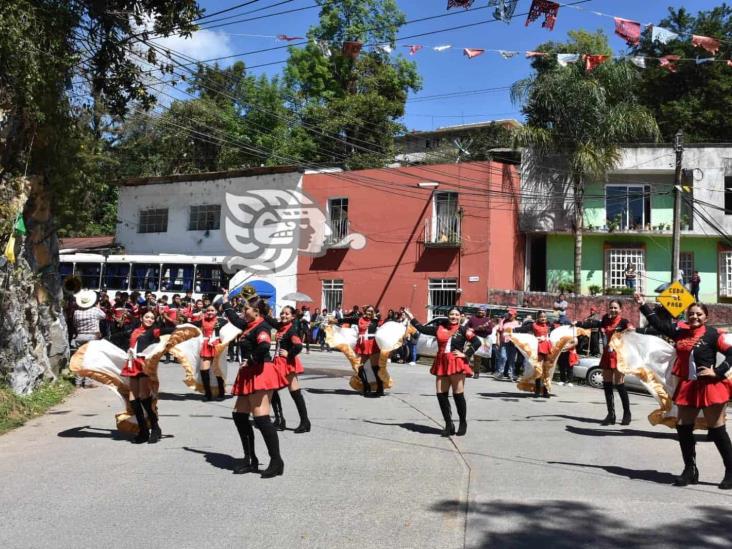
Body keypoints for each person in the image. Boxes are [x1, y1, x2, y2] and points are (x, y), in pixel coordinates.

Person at [635, 294, 732, 489]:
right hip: (688, 386)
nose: (694, 317)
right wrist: (643, 305)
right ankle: (690, 470)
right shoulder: (680, 332)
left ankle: (730, 470)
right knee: (683, 427)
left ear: (706, 317)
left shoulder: (713, 334)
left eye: (699, 314)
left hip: (710, 387)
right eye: (691, 314)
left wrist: (718, 371)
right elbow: (659, 325)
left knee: (717, 429)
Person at [222, 294, 288, 478]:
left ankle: (276, 461)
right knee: (239, 416)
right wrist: (225, 301)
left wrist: (250, 360)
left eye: (246, 310)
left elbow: (264, 346)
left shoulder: (262, 327)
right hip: (249, 372)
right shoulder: (248, 325)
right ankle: (250, 459)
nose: (243, 312)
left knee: (261, 418)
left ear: (256, 312)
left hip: (260, 371)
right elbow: (233, 318)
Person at [404, 307, 481, 436]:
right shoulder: (439, 328)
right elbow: (422, 329)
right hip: (441, 363)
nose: (454, 317)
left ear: (460, 316)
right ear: (448, 315)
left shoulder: (463, 330)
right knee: (441, 394)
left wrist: (466, 354)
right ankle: (448, 424)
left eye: (456, 315)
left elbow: (476, 341)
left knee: (458, 394)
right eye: (452, 314)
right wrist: (410, 316)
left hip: (455, 362)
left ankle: (462, 422)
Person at [120, 310, 177, 443]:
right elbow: (121, 337)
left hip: (145, 365)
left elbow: (171, 329)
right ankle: (143, 430)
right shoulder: (133, 330)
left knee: (144, 398)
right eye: (147, 317)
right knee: (133, 400)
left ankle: (155, 428)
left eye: (152, 318)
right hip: (132, 364)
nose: (150, 320)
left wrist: (175, 322)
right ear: (141, 317)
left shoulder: (154, 331)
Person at [574, 300, 634, 425]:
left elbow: (632, 332)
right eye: (611, 307)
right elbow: (593, 324)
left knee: (619, 384)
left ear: (620, 310)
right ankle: (611, 415)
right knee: (607, 385)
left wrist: (630, 330)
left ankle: (627, 413)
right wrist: (578, 323)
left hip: (619, 356)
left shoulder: (623, 322)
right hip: (607, 355)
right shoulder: (605, 320)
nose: (612, 310)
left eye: (615, 308)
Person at [269, 306, 311, 433]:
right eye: (282, 313)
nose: (283, 315)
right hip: (278, 362)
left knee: (294, 393)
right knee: (285, 391)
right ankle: (282, 419)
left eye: (287, 314)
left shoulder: (291, 329)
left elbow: (298, 346)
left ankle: (300, 422)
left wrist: (289, 354)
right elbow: (269, 320)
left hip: (286, 363)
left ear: (292, 316)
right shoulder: (281, 326)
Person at [336, 305, 384, 397]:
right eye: (368, 311)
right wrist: (337, 321)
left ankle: (380, 388)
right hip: (363, 344)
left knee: (375, 368)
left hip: (373, 344)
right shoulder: (359, 319)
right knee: (361, 368)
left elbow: (386, 327)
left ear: (374, 312)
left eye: (371, 311)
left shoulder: (376, 320)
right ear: (365, 311)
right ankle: (366, 386)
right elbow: (347, 320)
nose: (369, 313)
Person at [71, 290, 107, 387]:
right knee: (90, 360)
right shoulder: (95, 310)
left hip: (80, 336)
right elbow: (104, 316)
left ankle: (78, 382)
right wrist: (98, 307)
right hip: (92, 336)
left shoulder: (77, 312)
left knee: (80, 359)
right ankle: (87, 382)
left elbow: (74, 324)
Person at [193, 305, 226, 401]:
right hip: (206, 345)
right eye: (208, 310)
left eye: (212, 310)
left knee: (217, 370)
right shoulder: (203, 320)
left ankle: (221, 392)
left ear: (216, 312)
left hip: (217, 345)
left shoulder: (222, 321)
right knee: (203, 370)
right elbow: (191, 325)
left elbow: (231, 328)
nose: (210, 312)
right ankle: (208, 394)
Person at [466, 307, 493, 378]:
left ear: (485, 312)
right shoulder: (472, 318)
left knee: (477, 357)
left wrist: (483, 329)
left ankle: (476, 373)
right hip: (471, 339)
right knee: (467, 355)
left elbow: (490, 331)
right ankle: (466, 370)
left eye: (483, 310)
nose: (481, 312)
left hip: (481, 340)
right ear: (477, 311)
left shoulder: (488, 320)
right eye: (480, 310)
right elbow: (466, 327)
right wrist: (472, 329)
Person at [496, 309, 520, 381]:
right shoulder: (503, 321)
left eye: (511, 315)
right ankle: (501, 372)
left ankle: (511, 373)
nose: (509, 315)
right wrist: (497, 340)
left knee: (511, 359)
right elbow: (499, 331)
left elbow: (519, 334)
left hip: (513, 343)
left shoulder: (517, 323)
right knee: (503, 357)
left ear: (515, 315)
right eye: (509, 314)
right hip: (504, 342)